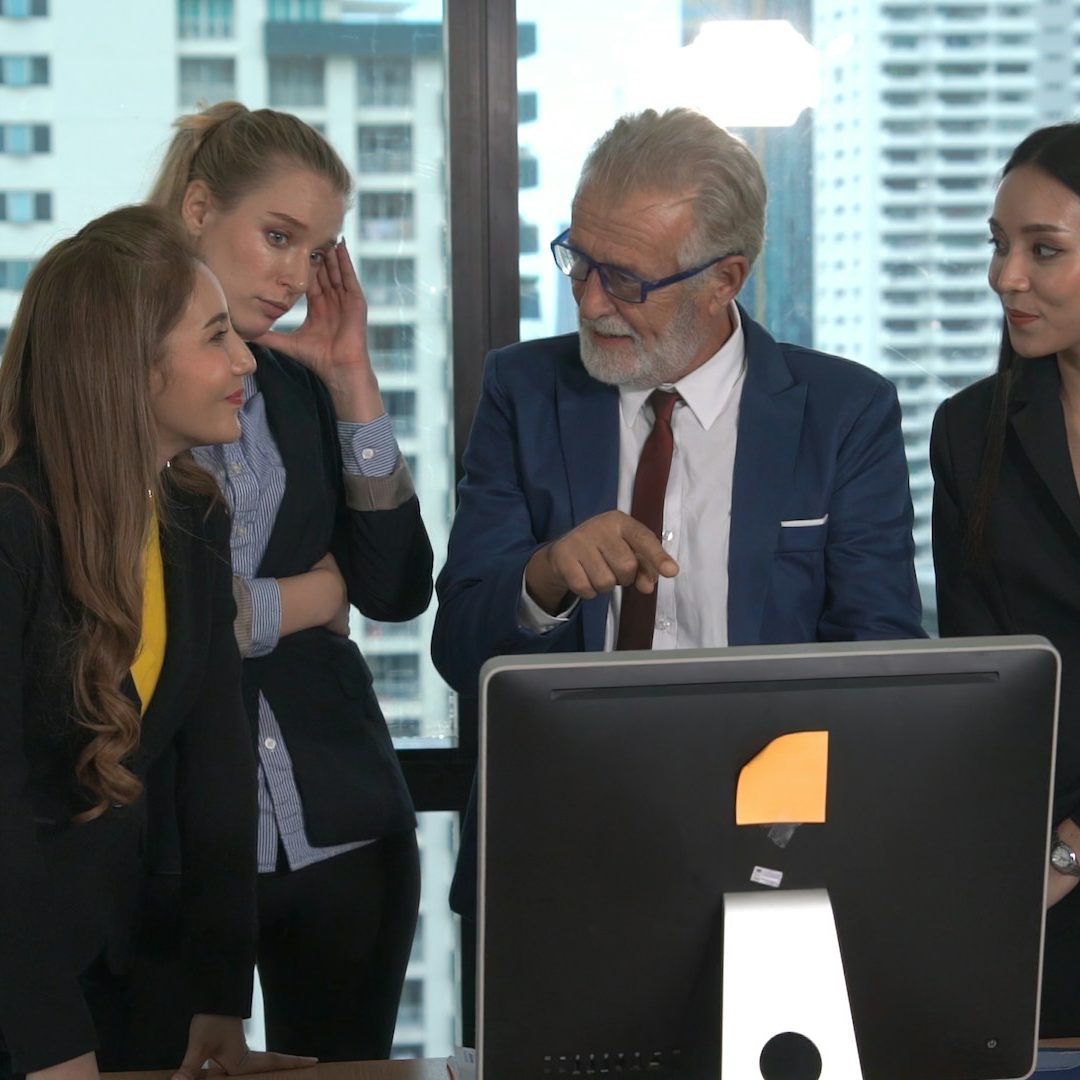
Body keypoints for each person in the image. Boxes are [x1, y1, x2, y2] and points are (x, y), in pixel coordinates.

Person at [433, 107, 924, 918]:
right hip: (555, 857)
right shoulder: (522, 391)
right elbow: (458, 650)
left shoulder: (845, 413)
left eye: (624, 279)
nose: (590, 302)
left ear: (724, 280)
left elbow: (878, 670)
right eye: (578, 261)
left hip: (774, 855)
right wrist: (545, 579)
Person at [129, 103, 433, 1064]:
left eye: (318, 251)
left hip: (343, 824)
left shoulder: (298, 387)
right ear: (197, 209)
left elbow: (394, 589)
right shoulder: (105, 390)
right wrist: (306, 599)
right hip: (167, 843)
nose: (297, 276)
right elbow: (140, 618)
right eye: (277, 237)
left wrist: (352, 381)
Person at [0, 205, 314, 1079]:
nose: (246, 359)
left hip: (126, 977)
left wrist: (221, 999)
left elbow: (215, 767)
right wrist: (52, 1048)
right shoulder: (12, 531)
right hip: (24, 998)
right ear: (128, 369)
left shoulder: (192, 515)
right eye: (216, 337)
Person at [931, 121, 1080, 1041]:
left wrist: (1071, 852)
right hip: (1031, 883)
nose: (1005, 277)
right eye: (998, 244)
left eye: (1043, 250)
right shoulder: (968, 430)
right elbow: (982, 680)